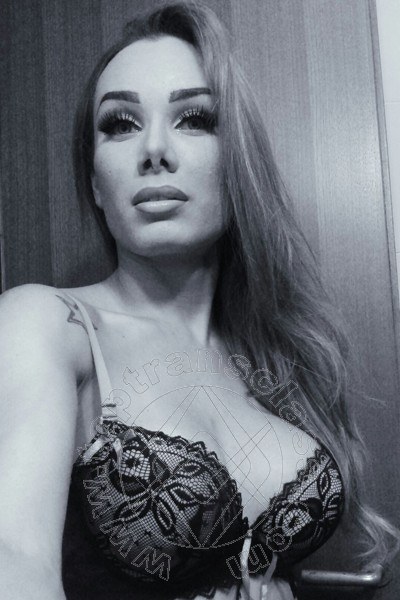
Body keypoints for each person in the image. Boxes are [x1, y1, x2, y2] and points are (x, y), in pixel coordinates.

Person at [0, 2, 397, 600]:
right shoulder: (47, 324)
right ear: (95, 184)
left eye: (194, 118)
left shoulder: (272, 355)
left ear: (238, 162)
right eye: (120, 124)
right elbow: (13, 561)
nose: (154, 149)